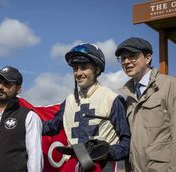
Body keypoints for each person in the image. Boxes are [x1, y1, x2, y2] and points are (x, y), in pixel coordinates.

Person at [42, 43, 131, 171]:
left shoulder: (112, 99)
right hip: (74, 166)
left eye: (83, 67)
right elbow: (51, 127)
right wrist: (23, 121)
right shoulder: (69, 101)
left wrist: (104, 152)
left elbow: (127, 141)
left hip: (104, 167)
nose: (78, 73)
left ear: (97, 69)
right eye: (75, 68)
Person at [115, 37, 176, 172]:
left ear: (148, 57)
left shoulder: (170, 85)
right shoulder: (129, 96)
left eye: (132, 56)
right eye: (123, 58)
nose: (126, 62)